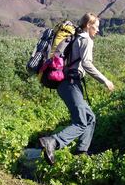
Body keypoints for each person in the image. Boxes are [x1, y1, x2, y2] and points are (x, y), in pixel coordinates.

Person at [39, 12, 115, 165]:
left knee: (90, 118)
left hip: (66, 83)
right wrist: (105, 80)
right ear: (88, 25)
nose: (98, 30)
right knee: (81, 121)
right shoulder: (86, 39)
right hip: (71, 82)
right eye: (96, 27)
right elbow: (87, 63)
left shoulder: (76, 37)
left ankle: (81, 152)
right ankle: (52, 142)